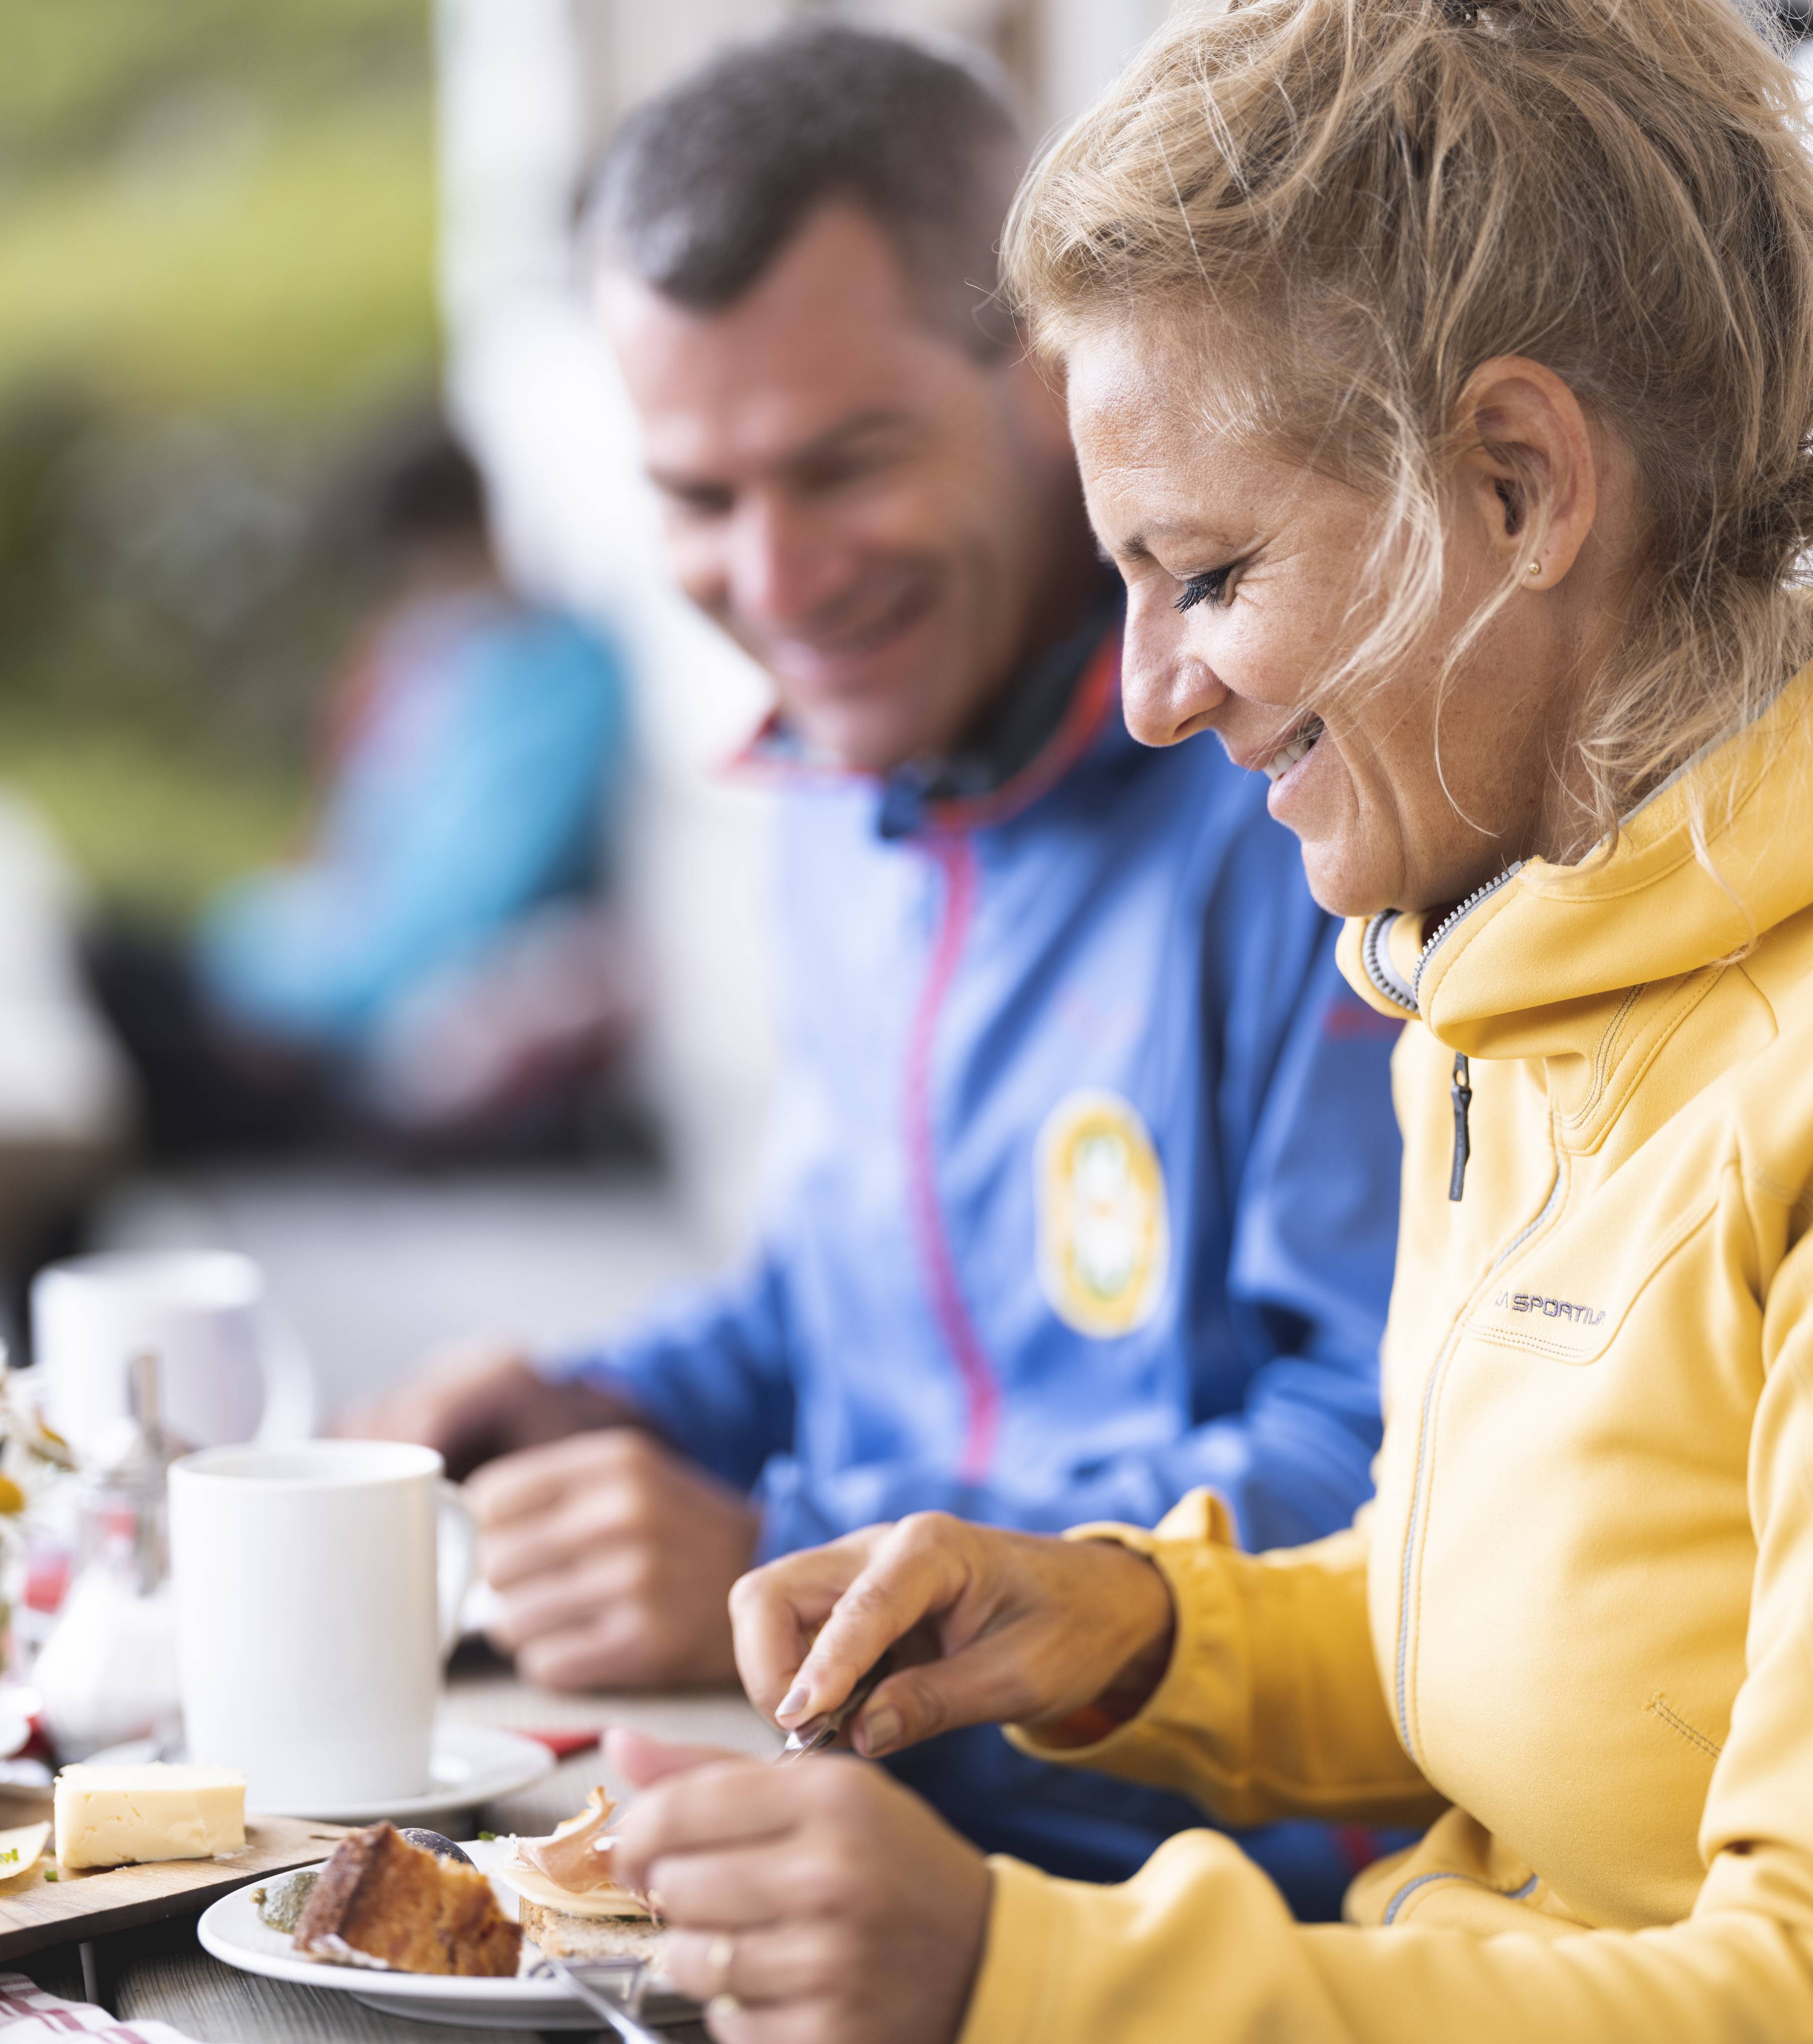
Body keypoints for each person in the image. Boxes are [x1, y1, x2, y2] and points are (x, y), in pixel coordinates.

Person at [596, 0, 1813, 2037]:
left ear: (1518, 484)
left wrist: (1023, 1973)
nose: (1153, 694)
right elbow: (1551, 1661)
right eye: (1126, 584)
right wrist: (1126, 1621)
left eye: (1213, 574)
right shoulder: (1509, 987)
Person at [347, 25, 1402, 1905]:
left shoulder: (1295, 790)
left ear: (1046, 379)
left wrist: (787, 1540)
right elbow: (850, 1302)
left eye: (842, 466)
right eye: (694, 495)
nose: (777, 578)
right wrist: (602, 1400)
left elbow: (1400, 1473)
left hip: (1221, 1904)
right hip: (861, 1811)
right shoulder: (842, 778)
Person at [89, 429, 628, 1156]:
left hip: (352, 1037)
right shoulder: (430, 659)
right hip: (295, 975)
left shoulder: (560, 683)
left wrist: (279, 988)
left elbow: (451, 915)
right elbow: (351, 843)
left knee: (111, 1004)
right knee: (99, 954)